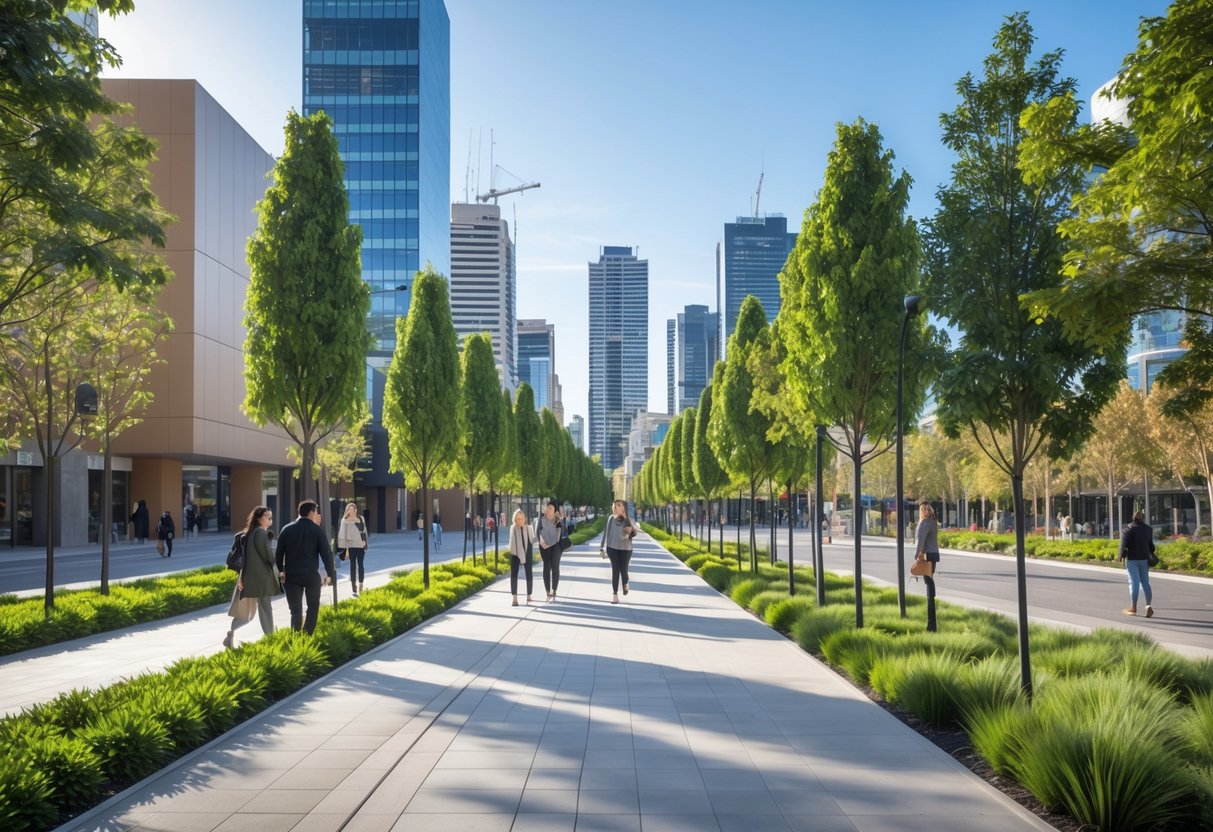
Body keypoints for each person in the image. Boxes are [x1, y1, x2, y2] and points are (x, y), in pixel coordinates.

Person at [223, 506, 281, 648]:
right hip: (261, 578)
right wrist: (280, 570)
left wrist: (242, 578)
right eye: (267, 517)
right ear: (258, 518)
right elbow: (268, 556)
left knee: (247, 612)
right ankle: (271, 639)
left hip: (249, 577)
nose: (270, 520)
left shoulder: (249, 533)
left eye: (271, 517)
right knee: (265, 608)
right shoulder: (260, 533)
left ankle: (231, 633)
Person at [275, 500, 336, 634]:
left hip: (291, 575)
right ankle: (306, 635)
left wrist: (281, 571)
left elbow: (278, 554)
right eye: (316, 511)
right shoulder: (317, 530)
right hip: (311, 575)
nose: (317, 514)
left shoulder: (287, 529)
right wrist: (330, 574)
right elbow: (326, 554)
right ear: (311, 512)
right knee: (313, 606)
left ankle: (295, 636)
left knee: (295, 609)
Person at [600, 499, 638, 605]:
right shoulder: (611, 519)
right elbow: (606, 533)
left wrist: (630, 530)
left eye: (618, 505)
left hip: (626, 549)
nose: (614, 507)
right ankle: (615, 595)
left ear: (623, 508)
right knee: (615, 570)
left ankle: (625, 582)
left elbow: (633, 534)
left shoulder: (628, 520)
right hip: (612, 548)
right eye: (613, 505)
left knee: (623, 570)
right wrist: (601, 547)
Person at [1119, 510, 1156, 617]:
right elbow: (1151, 547)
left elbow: (1123, 543)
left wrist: (1120, 556)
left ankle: (1133, 607)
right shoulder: (1148, 529)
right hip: (1144, 559)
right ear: (1142, 518)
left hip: (1132, 559)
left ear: (1133, 517)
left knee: (1134, 583)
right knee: (1145, 582)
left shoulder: (1128, 528)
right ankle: (1148, 606)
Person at [914, 502, 941, 632]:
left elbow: (920, 540)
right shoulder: (933, 522)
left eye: (926, 509)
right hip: (934, 554)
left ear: (929, 510)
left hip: (928, 555)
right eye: (923, 510)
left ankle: (931, 625)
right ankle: (931, 599)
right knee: (929, 580)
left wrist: (916, 555)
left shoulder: (925, 523)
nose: (925, 511)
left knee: (928, 581)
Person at [336, 502, 369, 596]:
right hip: (350, 545)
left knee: (360, 564)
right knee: (352, 565)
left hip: (360, 545)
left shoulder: (360, 518)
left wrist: (365, 542)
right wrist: (344, 546)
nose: (350, 511)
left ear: (355, 510)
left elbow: (364, 531)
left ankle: (361, 583)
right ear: (347, 510)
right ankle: (353, 584)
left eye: (352, 509)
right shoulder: (344, 520)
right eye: (349, 509)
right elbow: (342, 534)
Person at [535, 499, 565, 601]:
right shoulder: (541, 519)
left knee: (555, 567)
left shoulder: (558, 520)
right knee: (546, 566)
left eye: (550, 508)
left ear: (554, 510)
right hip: (544, 546)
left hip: (556, 546)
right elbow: (537, 532)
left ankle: (554, 590)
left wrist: (550, 544)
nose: (548, 510)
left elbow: (559, 535)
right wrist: (541, 541)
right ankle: (547, 591)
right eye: (547, 508)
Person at [508, 508, 535, 606]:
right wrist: (516, 554)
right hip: (516, 552)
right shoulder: (513, 528)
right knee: (514, 574)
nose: (520, 520)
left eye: (522, 518)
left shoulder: (529, 528)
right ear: (515, 520)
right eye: (518, 519)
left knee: (529, 573)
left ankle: (529, 595)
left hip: (527, 551)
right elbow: (511, 543)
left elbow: (532, 540)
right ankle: (514, 598)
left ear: (524, 519)